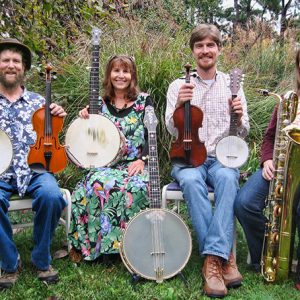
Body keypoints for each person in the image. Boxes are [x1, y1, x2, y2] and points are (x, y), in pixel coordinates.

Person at [165, 24, 249, 298]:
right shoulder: (179, 85)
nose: (205, 50)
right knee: (189, 180)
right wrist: (179, 105)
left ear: (219, 50)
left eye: (210, 45)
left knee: (227, 177)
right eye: (199, 46)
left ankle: (212, 261)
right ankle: (223, 259)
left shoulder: (232, 85)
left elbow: (243, 130)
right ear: (193, 51)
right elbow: (170, 128)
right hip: (189, 156)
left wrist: (237, 116)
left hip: (222, 156)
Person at [68, 55, 152, 262]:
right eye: (116, 71)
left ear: (132, 75)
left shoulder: (144, 101)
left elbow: (153, 134)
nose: (121, 75)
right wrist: (84, 119)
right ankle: (101, 248)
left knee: (139, 187)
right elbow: (89, 135)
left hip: (135, 163)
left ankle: (133, 247)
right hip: (105, 165)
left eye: (126, 71)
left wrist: (143, 159)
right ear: (109, 75)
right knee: (98, 183)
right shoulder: (99, 103)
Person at [0, 38, 67, 289]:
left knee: (51, 195)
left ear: (24, 68)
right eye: (5, 60)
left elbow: (51, 135)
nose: (10, 65)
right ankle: (9, 262)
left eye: (16, 61)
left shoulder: (40, 102)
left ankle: (41, 258)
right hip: (1, 173)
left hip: (35, 169)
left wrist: (58, 115)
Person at [234, 48, 300, 290]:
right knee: (244, 202)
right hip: (280, 168)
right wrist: (267, 161)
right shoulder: (288, 99)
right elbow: (270, 137)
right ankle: (268, 256)